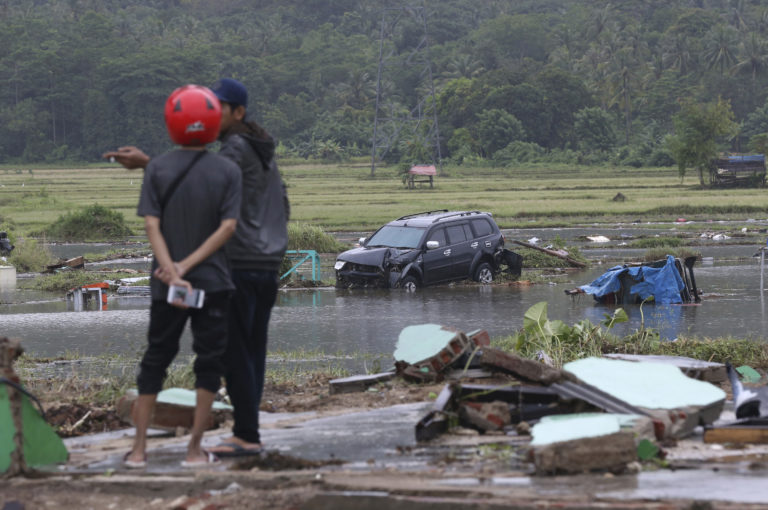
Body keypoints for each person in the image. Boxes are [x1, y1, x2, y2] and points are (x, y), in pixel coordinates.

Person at [105, 78, 289, 457]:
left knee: (234, 353)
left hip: (238, 261)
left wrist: (147, 164)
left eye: (216, 106)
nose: (207, 111)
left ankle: (246, 435)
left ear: (238, 113)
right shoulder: (259, 146)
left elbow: (199, 180)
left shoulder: (235, 149)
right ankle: (248, 432)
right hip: (268, 260)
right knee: (253, 350)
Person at [123, 84, 242, 468]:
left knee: (156, 357)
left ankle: (139, 450)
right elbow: (227, 229)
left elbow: (151, 224)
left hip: (167, 284)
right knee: (208, 362)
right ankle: (194, 450)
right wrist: (188, 268)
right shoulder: (227, 169)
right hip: (213, 283)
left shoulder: (156, 167)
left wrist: (172, 271)